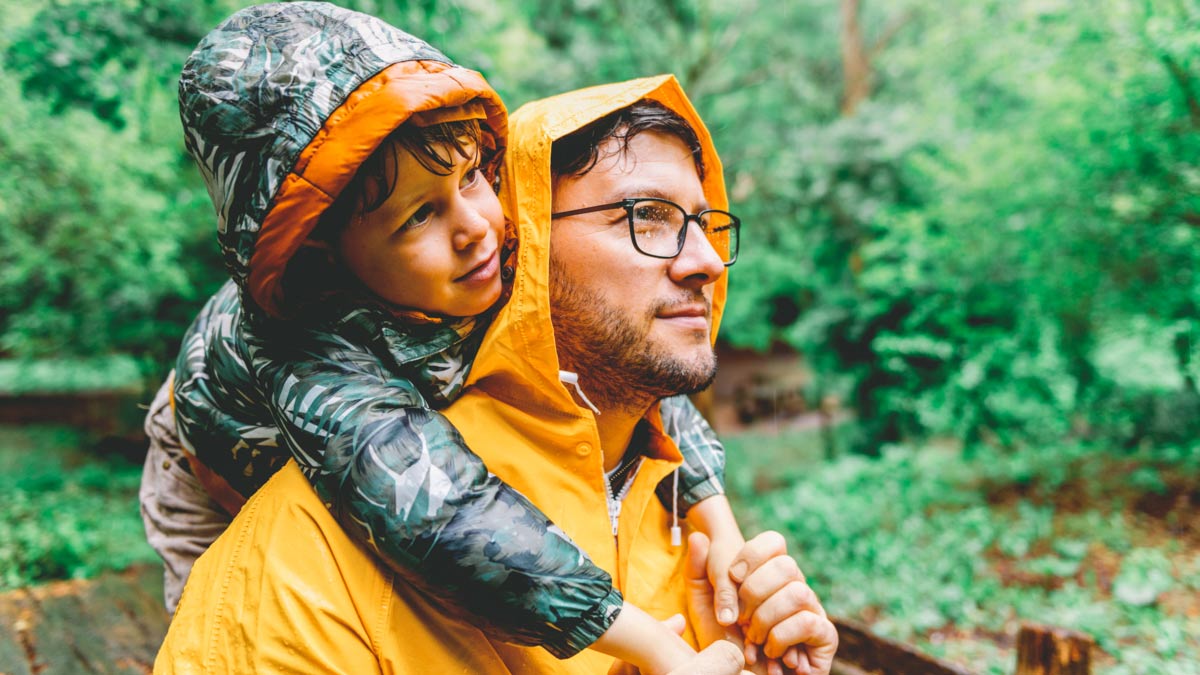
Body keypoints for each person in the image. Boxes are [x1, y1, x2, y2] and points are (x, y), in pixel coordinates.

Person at [155, 72, 838, 674]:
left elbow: (656, 406)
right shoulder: (316, 524)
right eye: (646, 218)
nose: (708, 261)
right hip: (221, 445)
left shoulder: (654, 484)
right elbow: (438, 505)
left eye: (703, 222)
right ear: (535, 240)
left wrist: (723, 537)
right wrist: (656, 647)